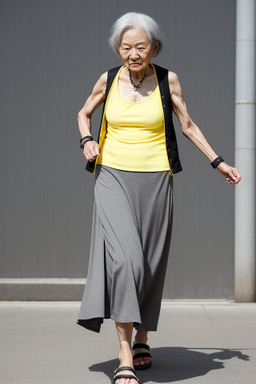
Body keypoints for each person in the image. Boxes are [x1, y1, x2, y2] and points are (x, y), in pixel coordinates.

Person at [76, 12, 241, 384]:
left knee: (149, 263)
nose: (133, 53)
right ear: (118, 49)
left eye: (141, 46)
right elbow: (83, 114)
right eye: (126, 47)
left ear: (153, 48)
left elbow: (187, 124)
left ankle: (142, 338)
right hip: (112, 177)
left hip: (157, 180)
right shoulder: (109, 78)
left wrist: (217, 162)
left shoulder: (168, 80)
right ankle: (123, 354)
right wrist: (87, 140)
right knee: (127, 262)